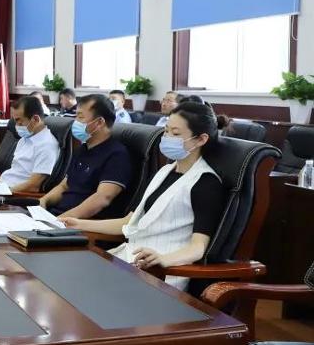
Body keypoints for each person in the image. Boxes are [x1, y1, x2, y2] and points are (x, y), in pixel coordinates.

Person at [62, 102, 225, 290]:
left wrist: (164, 259)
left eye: (175, 134)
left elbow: (198, 248)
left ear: (201, 139)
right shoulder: (165, 171)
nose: (167, 138)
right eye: (166, 131)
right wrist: (78, 223)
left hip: (162, 274)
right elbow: (129, 223)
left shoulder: (206, 182)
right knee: (68, 277)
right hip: (130, 261)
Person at [39, 94, 132, 219]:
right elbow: (64, 186)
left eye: (80, 117)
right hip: (57, 216)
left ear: (99, 122)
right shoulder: (82, 149)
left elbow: (102, 198)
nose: (75, 122)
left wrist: (59, 220)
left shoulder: (117, 155)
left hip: (80, 224)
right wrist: (43, 201)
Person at [0, 96, 60, 193]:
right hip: (2, 186)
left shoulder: (47, 145)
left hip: (14, 194)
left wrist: (3, 192)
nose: (16, 126)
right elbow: (15, 171)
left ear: (35, 119)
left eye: (20, 122)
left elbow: (33, 186)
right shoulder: (24, 139)